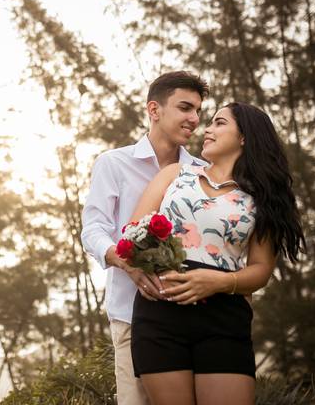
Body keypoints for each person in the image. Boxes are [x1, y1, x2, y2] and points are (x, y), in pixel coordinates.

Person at [128, 102, 306, 405]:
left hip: (224, 318)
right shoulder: (175, 174)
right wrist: (148, 266)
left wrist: (218, 282)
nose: (207, 129)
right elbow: (133, 231)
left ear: (244, 137)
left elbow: (261, 269)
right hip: (160, 313)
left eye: (219, 123)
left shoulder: (263, 198)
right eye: (209, 123)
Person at [81, 71, 209, 405]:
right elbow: (93, 229)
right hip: (131, 315)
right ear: (154, 110)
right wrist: (128, 263)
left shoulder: (202, 172)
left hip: (195, 318)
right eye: (185, 107)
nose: (195, 119)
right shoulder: (113, 163)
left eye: (198, 111)